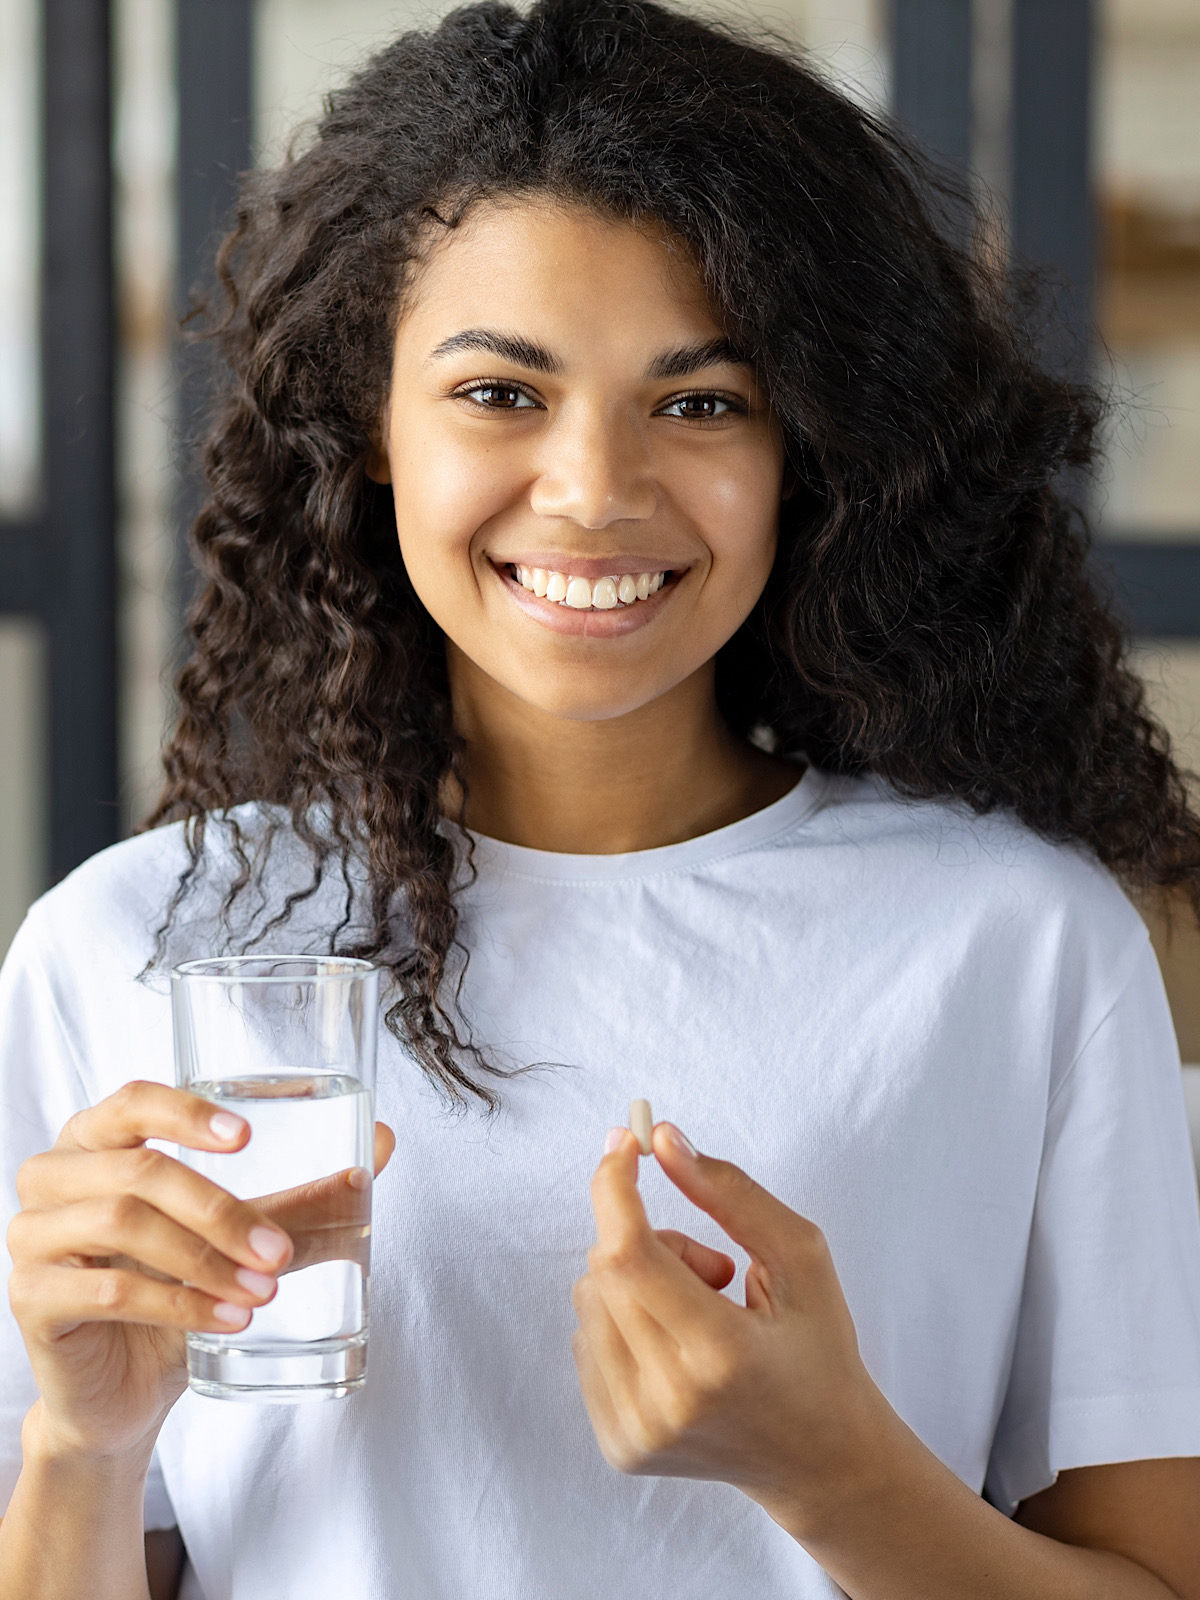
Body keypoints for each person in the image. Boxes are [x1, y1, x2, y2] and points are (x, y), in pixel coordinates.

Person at [2, 1, 1200, 1594]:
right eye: (501, 393)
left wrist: (836, 1471)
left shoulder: (1026, 939)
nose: (594, 490)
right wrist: (82, 1447)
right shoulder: (129, 946)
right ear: (372, 433)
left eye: (701, 401)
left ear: (810, 448)